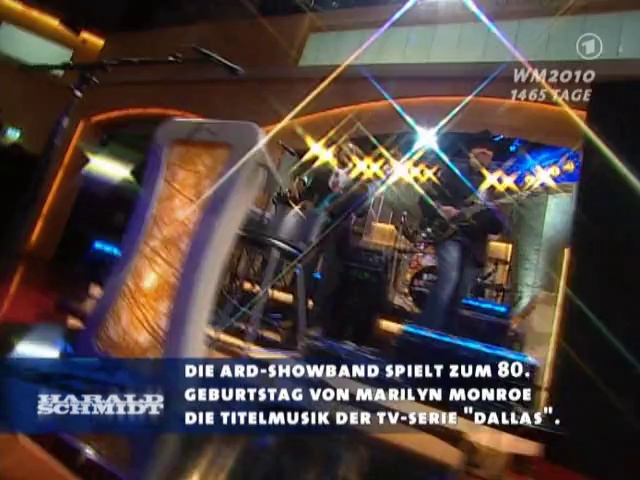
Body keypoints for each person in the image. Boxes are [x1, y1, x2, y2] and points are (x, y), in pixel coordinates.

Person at [416, 132, 503, 334]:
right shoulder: (451, 172)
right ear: (470, 151)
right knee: (448, 280)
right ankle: (426, 333)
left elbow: (498, 223)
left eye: (489, 151)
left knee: (462, 295)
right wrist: (441, 210)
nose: (485, 153)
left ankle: (447, 337)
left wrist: (475, 218)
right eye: (481, 149)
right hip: (451, 237)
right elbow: (425, 199)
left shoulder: (497, 184)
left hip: (475, 245)